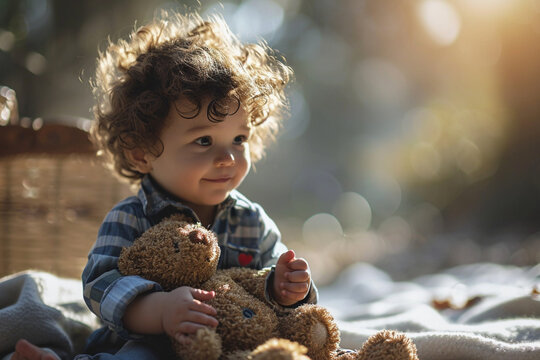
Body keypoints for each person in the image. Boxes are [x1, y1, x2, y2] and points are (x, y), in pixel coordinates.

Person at [11, 9, 316, 360]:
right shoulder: (130, 218)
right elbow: (99, 285)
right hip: (150, 344)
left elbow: (279, 283)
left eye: (239, 139)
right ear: (142, 153)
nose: (228, 158)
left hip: (231, 343)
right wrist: (161, 310)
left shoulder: (252, 221)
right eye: (203, 141)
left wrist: (287, 286)